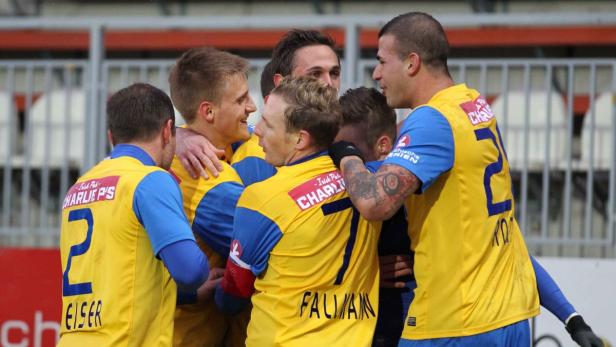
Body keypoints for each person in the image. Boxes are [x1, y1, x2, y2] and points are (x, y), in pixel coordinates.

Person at [329, 12, 603, 347]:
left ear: (412, 63)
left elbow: (374, 202)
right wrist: (572, 318)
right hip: (510, 317)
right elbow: (501, 233)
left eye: (382, 61)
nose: (376, 73)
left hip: (456, 323)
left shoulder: (432, 120)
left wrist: (345, 154)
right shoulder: (474, 107)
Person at [215, 76, 381, 346]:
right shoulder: (367, 180)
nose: (257, 131)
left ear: (300, 139)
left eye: (268, 125)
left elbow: (234, 293)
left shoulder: (262, 198)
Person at [58, 83, 216, 346]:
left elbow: (118, 282)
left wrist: (187, 296)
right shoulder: (150, 180)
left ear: (111, 136)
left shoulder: (79, 187)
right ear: (168, 131)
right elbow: (190, 272)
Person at [167, 47, 257, 347]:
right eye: (241, 99)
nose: (252, 106)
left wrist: (181, 134)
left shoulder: (197, 148)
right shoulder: (207, 176)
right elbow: (266, 245)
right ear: (208, 111)